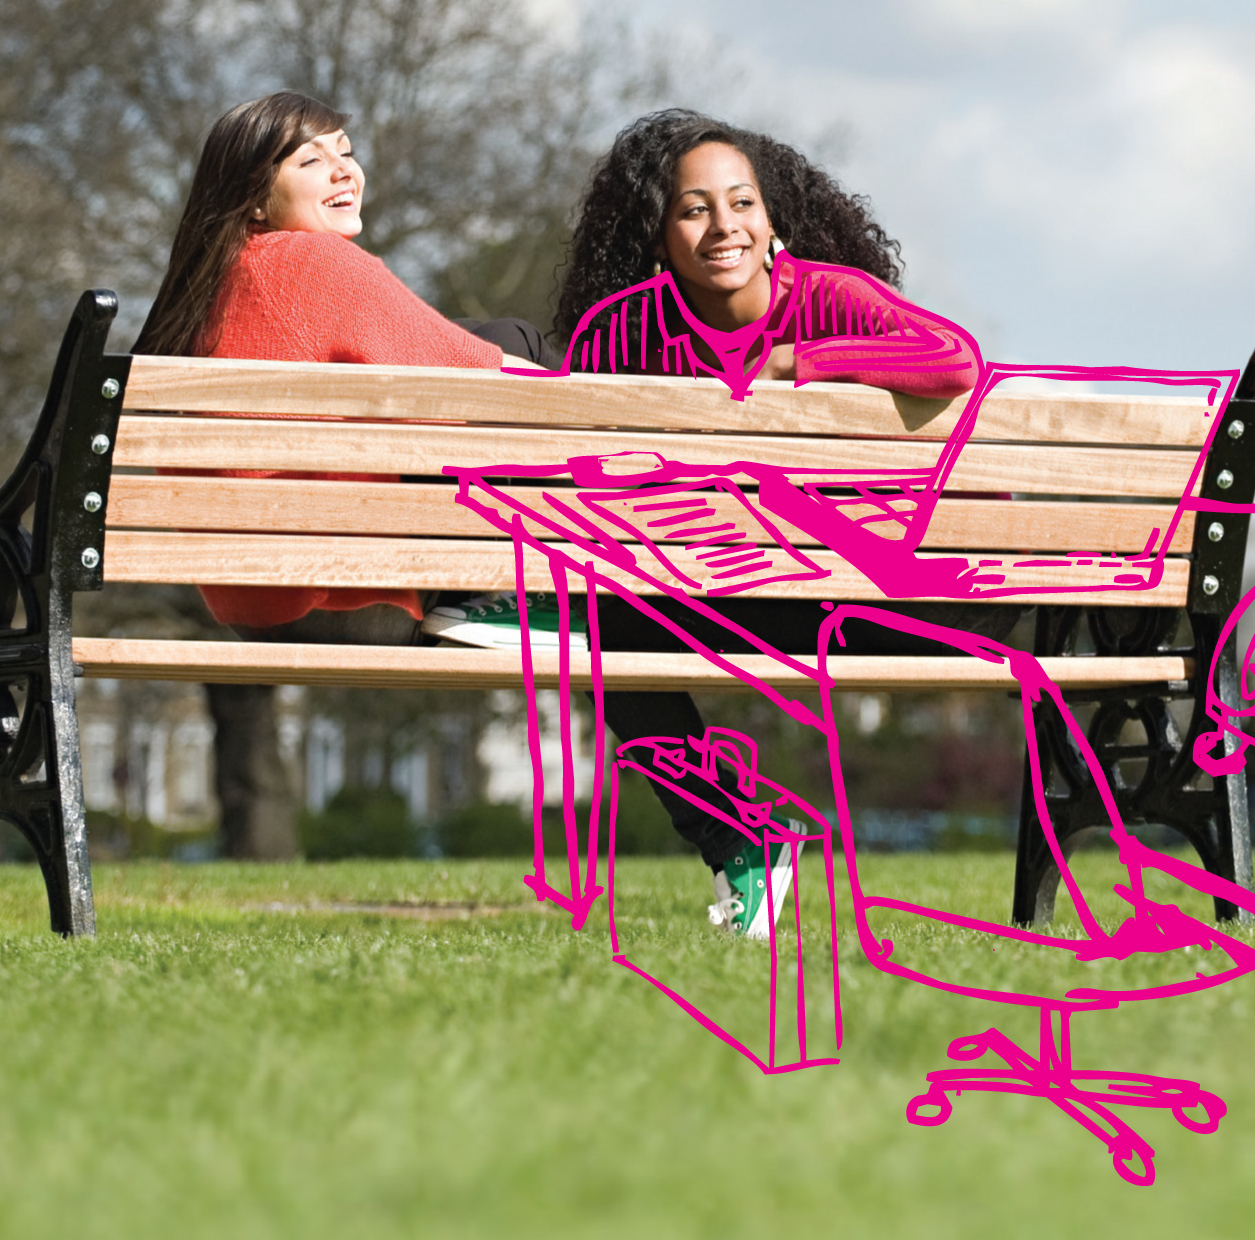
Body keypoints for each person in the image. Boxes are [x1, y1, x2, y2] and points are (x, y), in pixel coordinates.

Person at [428, 109, 1018, 932]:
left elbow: (956, 359)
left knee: (603, 631)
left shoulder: (828, 297)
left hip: (919, 601)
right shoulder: (649, 340)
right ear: (659, 235)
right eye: (693, 209)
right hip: (800, 592)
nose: (722, 226)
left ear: (772, 221)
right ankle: (742, 839)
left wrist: (798, 363)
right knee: (610, 633)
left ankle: (738, 834)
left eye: (741, 203)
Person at [133, 90, 540, 643]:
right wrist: (613, 418)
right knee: (512, 341)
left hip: (256, 610)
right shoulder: (310, 262)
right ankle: (506, 597)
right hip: (352, 599)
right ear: (255, 201)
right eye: (311, 161)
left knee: (466, 338)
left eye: (345, 152)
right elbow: (487, 380)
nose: (344, 172)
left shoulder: (210, 289)